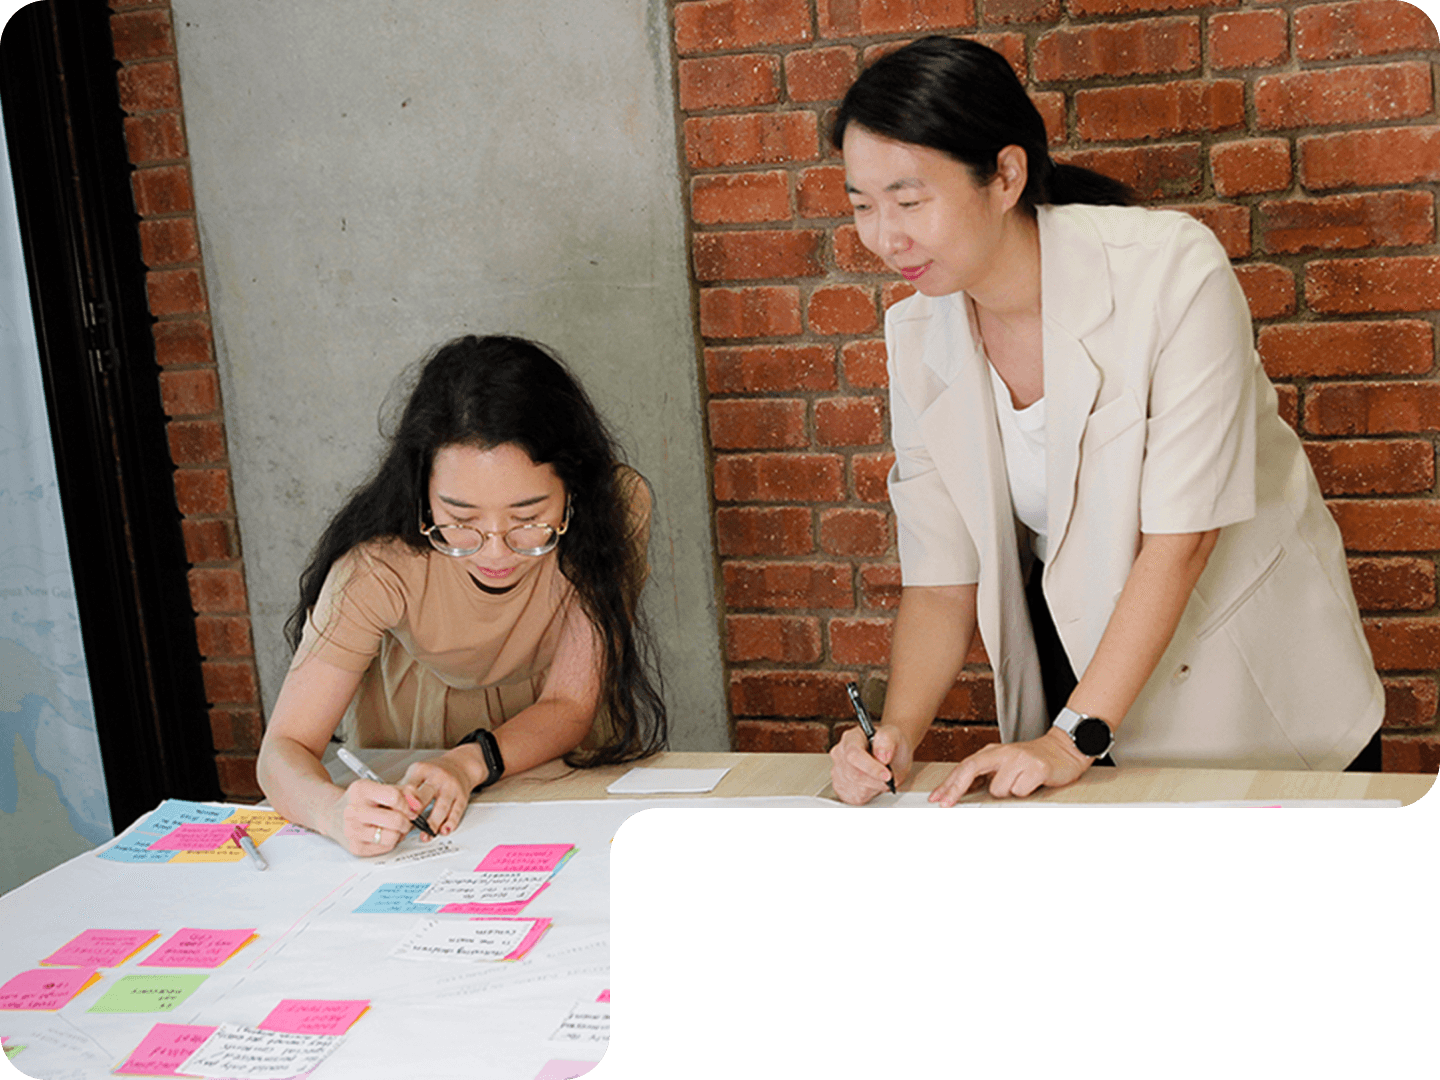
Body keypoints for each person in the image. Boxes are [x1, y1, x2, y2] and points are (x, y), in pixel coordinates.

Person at [827, 37, 1384, 806]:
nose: (884, 237)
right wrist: (895, 737)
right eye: (862, 206)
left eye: (910, 201)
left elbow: (1182, 540)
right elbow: (942, 581)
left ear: (1006, 176)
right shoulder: (918, 335)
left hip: (1248, 698)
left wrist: (1071, 736)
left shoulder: (1172, 271)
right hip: (1084, 697)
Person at [257, 335, 666, 853]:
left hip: (548, 749)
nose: (495, 553)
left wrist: (469, 761)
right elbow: (282, 750)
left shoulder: (614, 509)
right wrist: (331, 811)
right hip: (410, 750)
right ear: (422, 494)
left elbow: (568, 703)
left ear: (573, 488)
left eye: (528, 519)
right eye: (460, 520)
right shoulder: (377, 564)